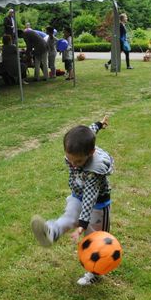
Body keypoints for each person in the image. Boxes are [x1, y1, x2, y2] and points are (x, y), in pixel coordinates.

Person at [30, 115, 113, 286]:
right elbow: (90, 131)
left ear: (91, 153)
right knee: (69, 217)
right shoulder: (81, 147)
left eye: (79, 161)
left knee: (95, 238)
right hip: (78, 195)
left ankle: (95, 272)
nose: (74, 165)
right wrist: (99, 124)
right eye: (70, 159)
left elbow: (90, 198)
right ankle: (51, 232)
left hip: (97, 205)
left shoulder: (93, 171)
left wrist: (82, 223)